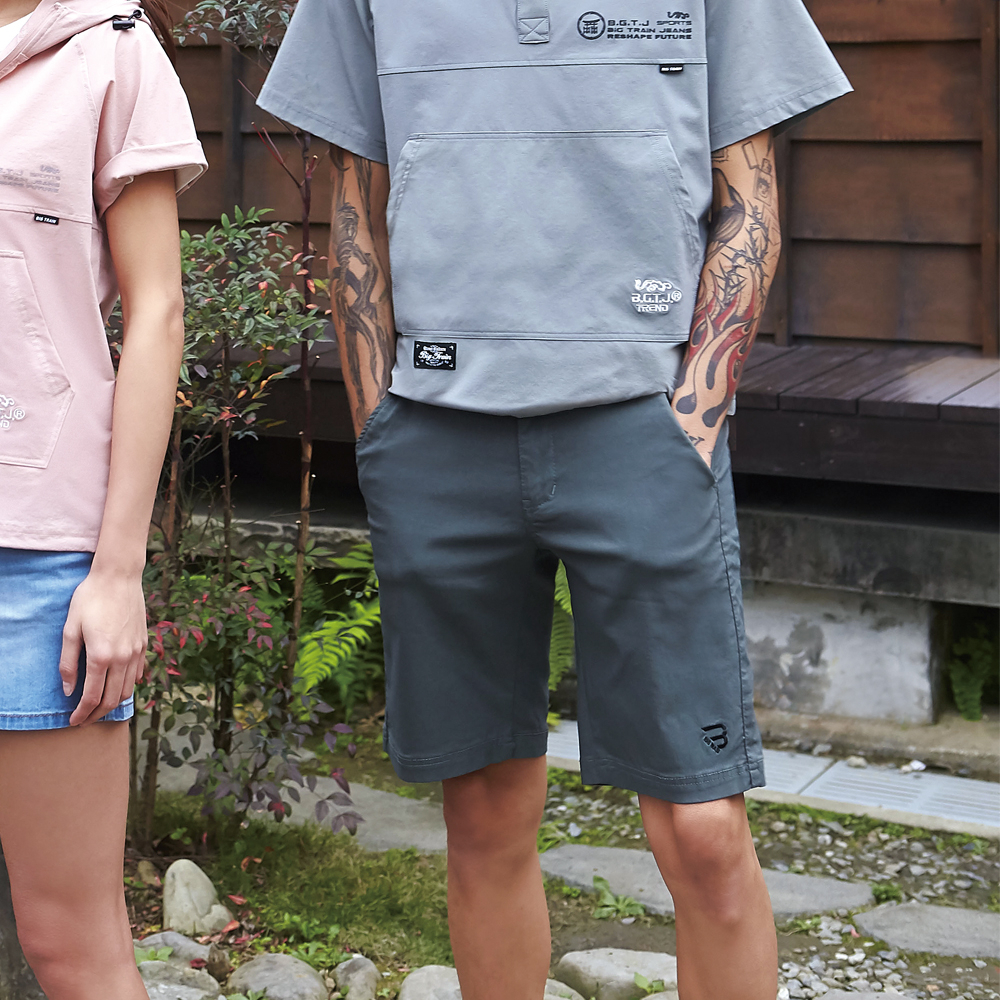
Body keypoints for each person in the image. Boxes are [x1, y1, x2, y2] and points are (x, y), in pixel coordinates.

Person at [260, 4, 850, 997]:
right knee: (483, 816)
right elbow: (357, 202)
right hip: (437, 432)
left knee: (705, 829)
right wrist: (382, 427)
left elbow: (748, 194)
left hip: (643, 427)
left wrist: (696, 410)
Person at [0, 0, 205, 994]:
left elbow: (157, 308)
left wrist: (118, 569)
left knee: (70, 941)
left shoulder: (112, 51)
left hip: (36, 555)